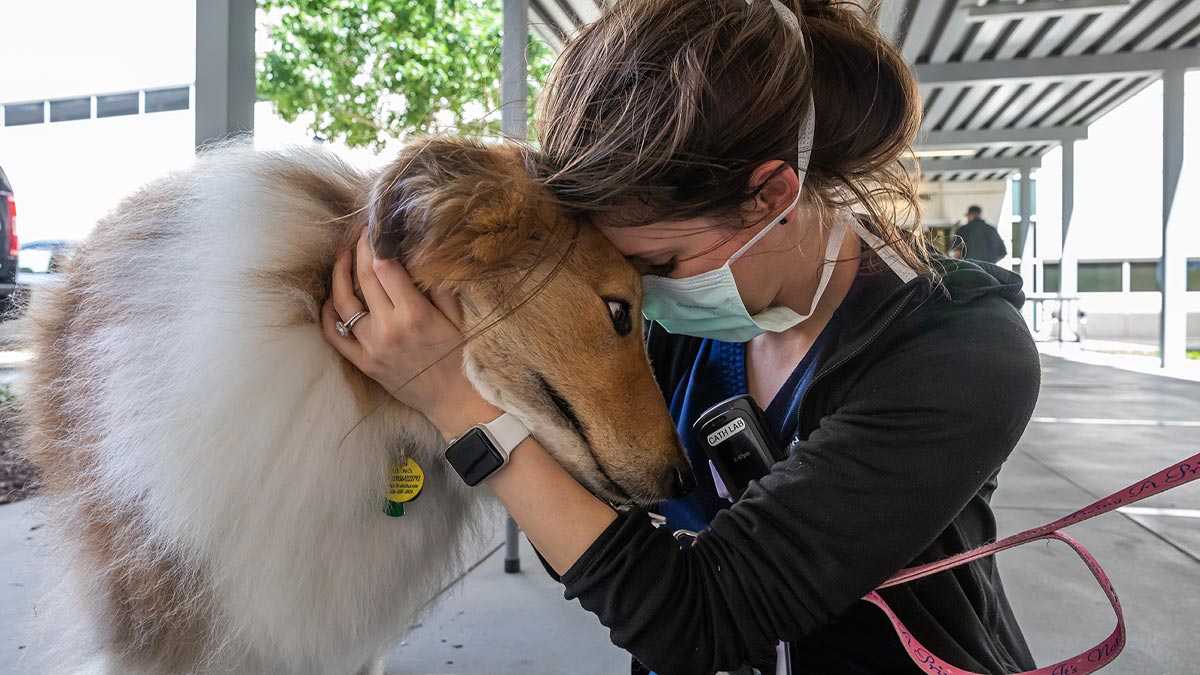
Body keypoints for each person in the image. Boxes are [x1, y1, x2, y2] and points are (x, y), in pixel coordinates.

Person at [322, 0, 1041, 673]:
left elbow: (704, 618)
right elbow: (592, 538)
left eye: (658, 264)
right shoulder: (681, 331)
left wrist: (460, 406)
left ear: (772, 196)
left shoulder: (961, 352)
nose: (649, 298)